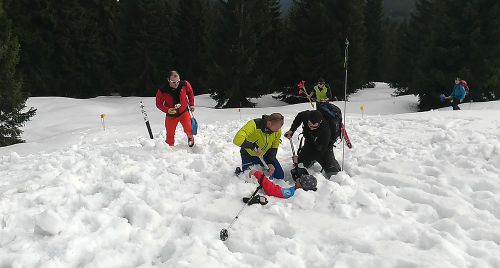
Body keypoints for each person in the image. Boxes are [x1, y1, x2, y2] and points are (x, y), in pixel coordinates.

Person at [284, 110, 341, 179]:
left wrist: (305, 157)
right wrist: (292, 130)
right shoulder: (306, 115)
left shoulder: (326, 130)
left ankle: (332, 162)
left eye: (314, 127)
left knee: (333, 175)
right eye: (310, 125)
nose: (311, 128)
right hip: (309, 143)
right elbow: (299, 117)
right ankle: (310, 159)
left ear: (320, 122)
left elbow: (321, 150)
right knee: (300, 164)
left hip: (324, 149)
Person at [233, 113, 285, 179]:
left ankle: (263, 165)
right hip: (249, 155)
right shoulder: (254, 125)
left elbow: (274, 146)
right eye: (277, 128)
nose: (278, 130)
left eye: (279, 128)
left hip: (266, 155)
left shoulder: (277, 130)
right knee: (250, 177)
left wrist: (270, 162)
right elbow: (237, 139)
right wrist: (253, 147)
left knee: (279, 176)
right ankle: (241, 171)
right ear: (269, 123)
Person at [156, 70, 195, 147]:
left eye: (178, 81)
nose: (176, 84)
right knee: (170, 133)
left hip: (184, 112)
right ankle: (169, 146)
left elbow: (190, 92)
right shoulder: (162, 90)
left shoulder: (184, 84)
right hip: (171, 114)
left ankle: (190, 138)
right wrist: (167, 110)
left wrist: (192, 104)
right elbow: (158, 104)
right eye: (173, 82)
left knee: (188, 128)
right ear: (168, 80)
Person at [246, 169, 317, 200]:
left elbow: (272, 190)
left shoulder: (290, 193)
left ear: (302, 186)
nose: (297, 179)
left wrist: (259, 175)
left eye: (300, 180)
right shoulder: (294, 191)